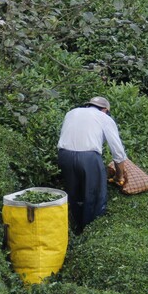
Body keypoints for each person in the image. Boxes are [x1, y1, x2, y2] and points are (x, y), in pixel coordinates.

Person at [57, 96, 129, 233]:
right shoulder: (104, 118)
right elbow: (118, 153)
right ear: (105, 110)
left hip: (64, 155)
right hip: (88, 158)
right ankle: (91, 232)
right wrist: (119, 176)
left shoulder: (71, 113)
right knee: (94, 196)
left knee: (73, 194)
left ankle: (74, 229)